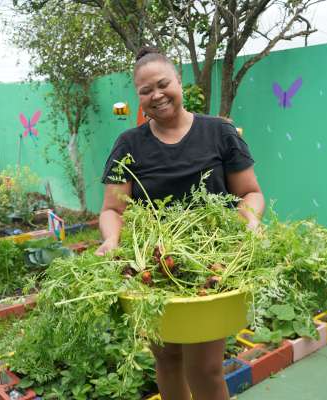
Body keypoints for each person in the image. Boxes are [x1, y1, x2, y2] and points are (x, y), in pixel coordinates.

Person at [95, 46, 265, 400]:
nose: (156, 95)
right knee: (168, 358)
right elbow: (113, 209)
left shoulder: (220, 132)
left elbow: (250, 193)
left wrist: (248, 221)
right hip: (153, 268)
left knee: (206, 367)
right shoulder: (128, 144)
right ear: (139, 98)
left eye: (162, 84)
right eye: (145, 91)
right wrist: (112, 241)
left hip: (211, 265)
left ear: (179, 82)